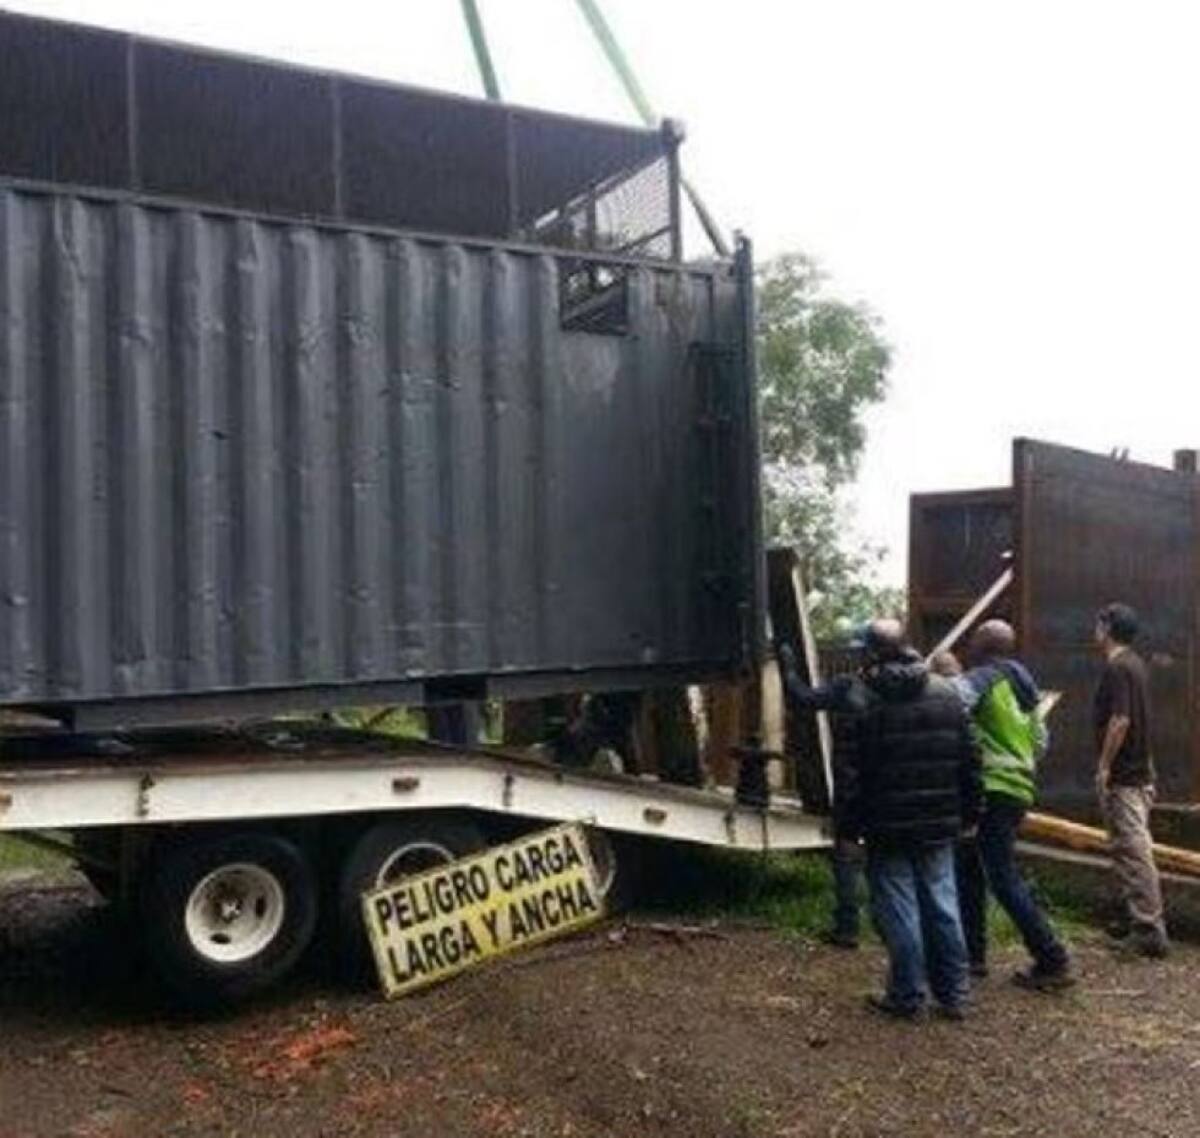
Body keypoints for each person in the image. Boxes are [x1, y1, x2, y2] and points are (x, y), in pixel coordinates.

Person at [842, 620, 982, 1021]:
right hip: (940, 823)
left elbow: (849, 777)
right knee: (943, 905)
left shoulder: (860, 699)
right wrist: (972, 814)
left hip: (885, 826)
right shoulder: (947, 693)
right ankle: (955, 995)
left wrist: (848, 831)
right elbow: (971, 759)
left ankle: (907, 996)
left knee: (900, 910)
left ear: (871, 654)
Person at [951, 620, 1075, 991]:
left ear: (983, 646)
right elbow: (1040, 742)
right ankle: (972, 957)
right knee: (970, 868)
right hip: (1016, 790)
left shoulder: (983, 678)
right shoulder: (1028, 689)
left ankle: (1052, 957)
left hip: (988, 790)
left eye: (973, 641)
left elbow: (947, 706)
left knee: (1001, 876)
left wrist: (972, 746)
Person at [778, 639, 869, 949]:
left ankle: (847, 927)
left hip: (851, 785)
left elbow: (802, 698)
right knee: (890, 858)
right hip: (890, 786)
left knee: (845, 854)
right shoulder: (907, 689)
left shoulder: (848, 687)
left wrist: (789, 669)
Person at [1094, 603, 1168, 958]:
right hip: (1140, 771)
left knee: (1134, 850)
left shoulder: (1118, 667)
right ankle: (1134, 919)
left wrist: (1105, 765)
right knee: (1128, 847)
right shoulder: (1135, 665)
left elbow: (1120, 720)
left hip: (1126, 774)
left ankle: (1148, 928)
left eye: (1099, 623)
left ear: (1106, 628)